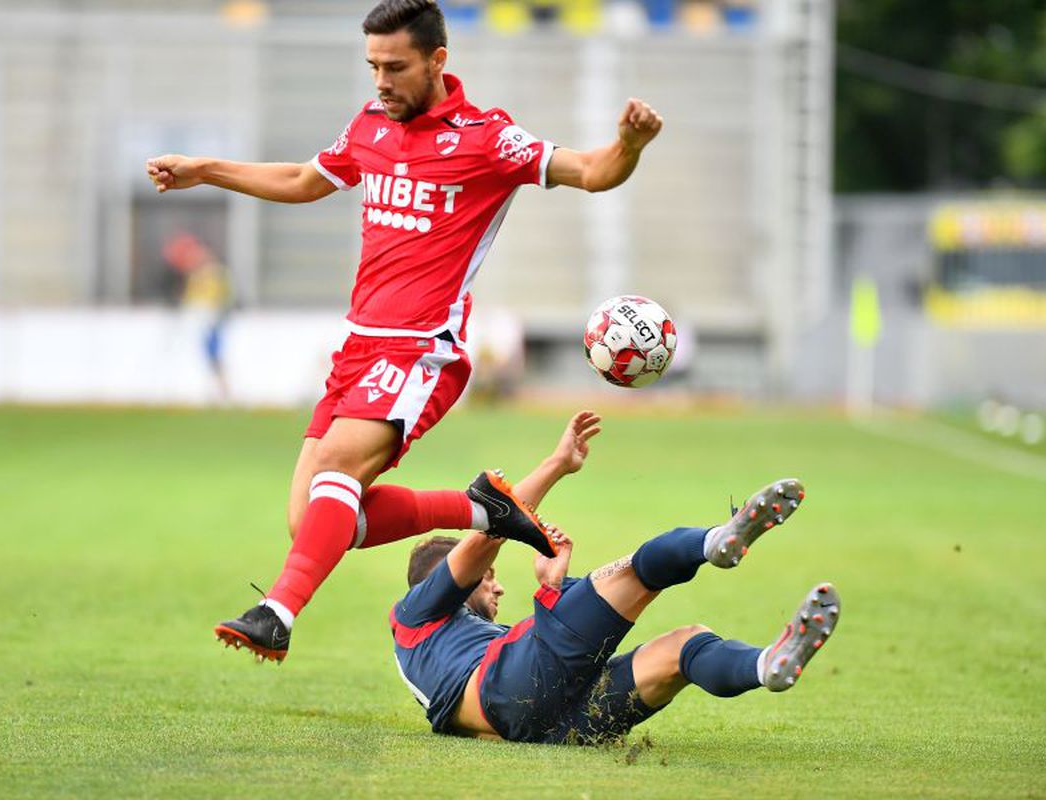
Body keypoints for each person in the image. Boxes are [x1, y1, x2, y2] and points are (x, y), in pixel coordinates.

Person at [146, 0, 664, 663]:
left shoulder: (486, 138)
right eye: (373, 66)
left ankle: (277, 612)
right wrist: (204, 169)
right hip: (358, 345)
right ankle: (483, 510)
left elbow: (592, 171)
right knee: (312, 521)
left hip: (423, 347)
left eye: (395, 67)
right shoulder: (370, 124)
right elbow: (304, 180)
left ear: (437, 60)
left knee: (335, 469)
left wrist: (629, 145)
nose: (381, 81)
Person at [390, 415, 839, 744]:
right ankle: (715, 541)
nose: (498, 586)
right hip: (509, 683)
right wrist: (557, 464)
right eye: (487, 579)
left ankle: (767, 665)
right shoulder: (413, 615)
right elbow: (493, 527)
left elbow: (527, 686)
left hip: (548, 728)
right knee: (641, 570)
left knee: (683, 649)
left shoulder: (438, 655)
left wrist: (553, 587)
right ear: (441, 583)